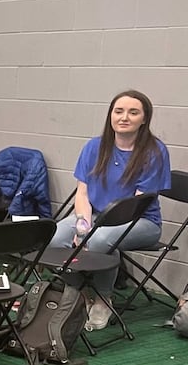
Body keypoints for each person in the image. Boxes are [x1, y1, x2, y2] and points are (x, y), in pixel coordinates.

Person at [50, 89, 171, 330]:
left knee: (101, 240)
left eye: (133, 112)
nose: (124, 117)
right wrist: (83, 226)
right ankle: (81, 293)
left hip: (140, 221)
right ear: (111, 115)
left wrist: (91, 233)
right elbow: (82, 194)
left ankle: (103, 300)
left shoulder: (154, 151)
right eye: (119, 111)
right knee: (53, 237)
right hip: (95, 217)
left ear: (144, 119)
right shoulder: (94, 146)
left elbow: (135, 206)